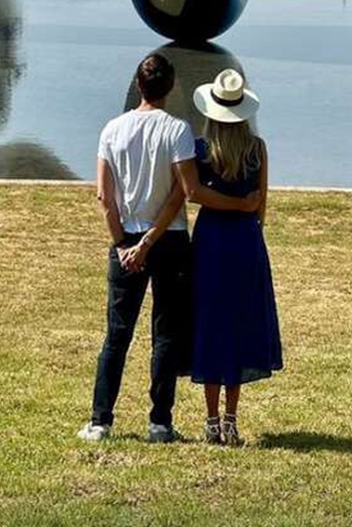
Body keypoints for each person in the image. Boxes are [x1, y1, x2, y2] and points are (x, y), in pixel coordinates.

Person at [78, 53, 260, 443]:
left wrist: (125, 244)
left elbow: (103, 196)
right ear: (171, 86)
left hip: (124, 238)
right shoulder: (177, 131)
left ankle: (100, 419)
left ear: (138, 85)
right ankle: (159, 421)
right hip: (169, 240)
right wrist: (150, 240)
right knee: (165, 334)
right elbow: (182, 193)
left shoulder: (111, 129)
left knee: (116, 335)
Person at [190, 68, 283, 446]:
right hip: (245, 242)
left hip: (211, 239)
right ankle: (231, 419)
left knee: (211, 324)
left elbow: (192, 193)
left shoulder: (201, 150)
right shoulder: (256, 149)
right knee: (241, 324)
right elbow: (261, 203)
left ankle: (212, 421)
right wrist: (245, 212)